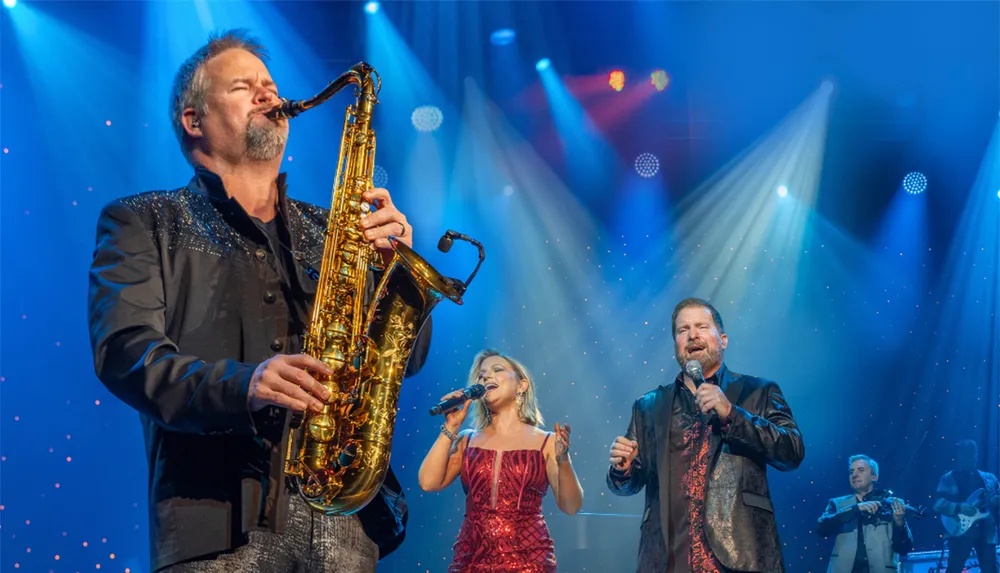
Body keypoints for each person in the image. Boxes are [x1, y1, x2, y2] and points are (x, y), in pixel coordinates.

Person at [87, 29, 429, 573]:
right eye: (245, 87)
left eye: (270, 85)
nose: (269, 95)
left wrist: (396, 274)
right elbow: (126, 354)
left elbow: (398, 360)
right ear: (193, 120)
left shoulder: (333, 228)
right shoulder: (143, 220)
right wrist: (245, 384)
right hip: (219, 521)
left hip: (346, 519)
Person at [606, 297, 805, 573]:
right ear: (676, 343)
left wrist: (732, 414)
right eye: (682, 330)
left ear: (722, 339)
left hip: (738, 557)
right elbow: (628, 484)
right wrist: (622, 470)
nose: (692, 335)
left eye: (701, 326)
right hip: (667, 559)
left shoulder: (757, 391)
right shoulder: (648, 406)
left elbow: (792, 451)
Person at [417, 349, 584, 572]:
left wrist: (563, 460)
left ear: (522, 385)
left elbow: (571, 506)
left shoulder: (546, 442)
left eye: (497, 370)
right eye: (481, 374)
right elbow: (428, 482)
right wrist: (451, 428)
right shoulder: (467, 440)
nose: (485, 377)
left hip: (529, 560)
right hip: (471, 560)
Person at [817, 455, 912, 573]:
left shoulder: (888, 505)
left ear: (874, 476)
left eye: (861, 470)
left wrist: (899, 522)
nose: (854, 474)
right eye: (851, 471)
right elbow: (821, 528)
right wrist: (855, 509)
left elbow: (904, 549)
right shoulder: (837, 503)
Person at [933, 439, 999, 573]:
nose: (972, 457)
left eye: (974, 453)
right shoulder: (948, 478)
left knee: (990, 569)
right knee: (954, 569)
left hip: (986, 532)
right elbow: (938, 504)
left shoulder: (989, 478)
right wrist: (960, 508)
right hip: (959, 532)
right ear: (960, 455)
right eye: (967, 453)